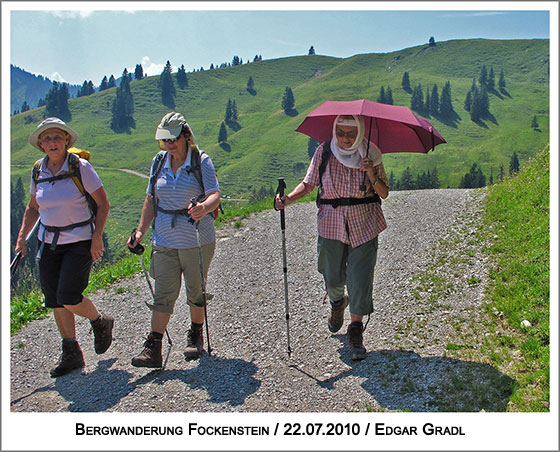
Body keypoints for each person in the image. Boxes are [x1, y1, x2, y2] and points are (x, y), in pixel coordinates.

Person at [275, 115, 389, 360]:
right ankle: (337, 302)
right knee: (332, 275)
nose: (345, 139)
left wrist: (371, 173)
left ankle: (355, 330)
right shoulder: (324, 151)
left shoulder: (371, 154)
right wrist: (287, 200)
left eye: (351, 133)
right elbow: (308, 184)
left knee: (360, 277)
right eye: (341, 132)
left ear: (359, 133)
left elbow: (384, 192)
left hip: (364, 221)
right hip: (331, 223)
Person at [15, 117, 113, 377]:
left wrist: (97, 237)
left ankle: (99, 321)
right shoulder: (39, 170)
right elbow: (33, 206)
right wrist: (22, 236)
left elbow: (103, 204)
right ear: (40, 144)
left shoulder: (79, 167)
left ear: (67, 140)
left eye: (57, 137)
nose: (52, 142)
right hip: (48, 242)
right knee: (54, 300)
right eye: (46, 139)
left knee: (68, 296)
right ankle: (71, 353)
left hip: (79, 240)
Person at [128, 112, 220, 367]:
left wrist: (203, 206)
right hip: (165, 239)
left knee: (195, 289)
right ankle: (153, 346)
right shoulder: (159, 162)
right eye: (164, 140)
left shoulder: (201, 161)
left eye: (173, 138)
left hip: (197, 238)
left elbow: (215, 195)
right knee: (164, 293)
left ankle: (195, 335)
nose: (168, 144)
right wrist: (140, 232)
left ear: (185, 136)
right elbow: (151, 200)